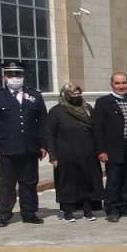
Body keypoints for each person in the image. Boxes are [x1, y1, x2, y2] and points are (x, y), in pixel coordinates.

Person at [0, 61, 48, 226]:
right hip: (6, 149)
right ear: (4, 76)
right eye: (11, 74)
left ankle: (29, 213)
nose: (14, 78)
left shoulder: (34, 95)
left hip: (29, 148)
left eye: (18, 74)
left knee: (29, 183)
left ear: (23, 76)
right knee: (6, 183)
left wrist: (43, 145)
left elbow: (43, 123)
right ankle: (4, 214)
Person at [94, 72, 127, 222]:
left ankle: (126, 206)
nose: (121, 86)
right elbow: (97, 129)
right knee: (114, 180)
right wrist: (101, 150)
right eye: (117, 83)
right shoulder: (103, 103)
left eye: (124, 83)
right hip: (113, 148)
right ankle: (112, 209)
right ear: (112, 84)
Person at [46, 82, 103, 222]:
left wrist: (100, 150)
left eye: (78, 94)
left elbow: (96, 129)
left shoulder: (87, 108)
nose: (76, 96)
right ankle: (68, 212)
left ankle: (88, 210)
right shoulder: (56, 112)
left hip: (87, 153)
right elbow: (49, 134)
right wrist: (53, 155)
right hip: (66, 155)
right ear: (65, 95)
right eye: (73, 94)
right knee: (67, 184)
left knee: (87, 182)